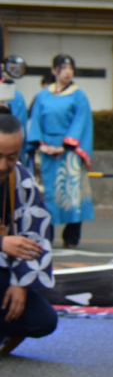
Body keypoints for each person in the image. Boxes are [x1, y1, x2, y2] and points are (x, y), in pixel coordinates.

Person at [0, 113, 56, 357]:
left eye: (11, 157)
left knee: (43, 320)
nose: (3, 165)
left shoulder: (20, 179)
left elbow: (37, 234)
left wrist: (20, 283)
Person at [27, 55, 94, 249]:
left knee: (72, 193)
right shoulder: (43, 95)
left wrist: (65, 146)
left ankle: (71, 238)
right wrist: (40, 143)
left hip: (69, 151)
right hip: (45, 149)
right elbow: (35, 119)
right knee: (43, 193)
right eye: (63, 68)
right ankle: (45, 234)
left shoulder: (79, 95)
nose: (67, 72)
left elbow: (81, 121)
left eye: (70, 68)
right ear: (54, 71)